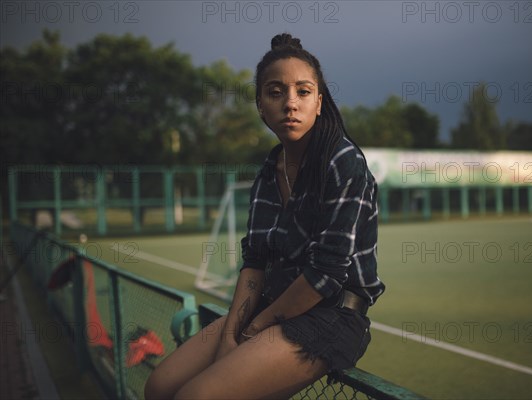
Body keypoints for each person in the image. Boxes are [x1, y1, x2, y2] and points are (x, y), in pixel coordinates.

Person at [144, 33, 385, 400]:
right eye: (276, 92)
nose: (291, 103)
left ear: (319, 103)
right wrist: (229, 338)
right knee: (158, 388)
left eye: (303, 92)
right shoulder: (269, 170)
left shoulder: (342, 161)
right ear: (260, 105)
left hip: (330, 316)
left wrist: (253, 330)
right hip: (271, 307)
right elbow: (255, 263)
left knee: (196, 397)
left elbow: (325, 274)